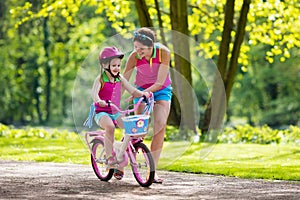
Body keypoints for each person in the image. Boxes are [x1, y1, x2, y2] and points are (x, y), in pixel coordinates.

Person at [91, 46, 149, 180]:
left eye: (118, 65)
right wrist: (99, 100)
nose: (117, 68)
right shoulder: (100, 79)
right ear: (105, 65)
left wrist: (143, 95)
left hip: (115, 111)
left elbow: (132, 90)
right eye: (114, 65)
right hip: (102, 112)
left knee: (131, 128)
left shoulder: (120, 78)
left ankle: (121, 151)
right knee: (110, 127)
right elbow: (94, 93)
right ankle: (110, 158)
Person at [123, 28, 172, 184]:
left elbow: (159, 82)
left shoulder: (164, 53)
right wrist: (111, 97)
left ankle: (152, 171)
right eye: (136, 47)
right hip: (141, 89)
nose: (138, 51)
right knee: (138, 128)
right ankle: (120, 161)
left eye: (142, 49)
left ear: (152, 46)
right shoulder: (134, 57)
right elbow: (123, 81)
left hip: (162, 90)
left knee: (160, 125)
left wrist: (140, 93)